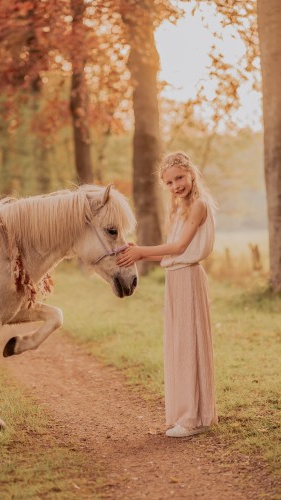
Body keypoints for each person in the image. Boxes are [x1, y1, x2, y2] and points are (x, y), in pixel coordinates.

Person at [117, 151, 218, 438]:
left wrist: (141, 253)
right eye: (170, 182)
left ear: (191, 174)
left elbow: (179, 248)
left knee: (188, 343)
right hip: (175, 279)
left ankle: (193, 419)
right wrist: (140, 247)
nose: (176, 186)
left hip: (188, 276)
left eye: (179, 178)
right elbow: (172, 245)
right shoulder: (179, 207)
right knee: (179, 344)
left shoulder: (198, 205)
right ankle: (187, 414)